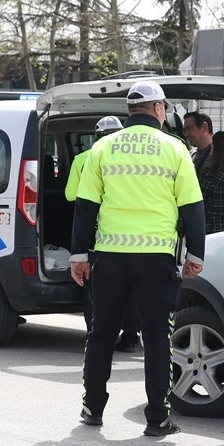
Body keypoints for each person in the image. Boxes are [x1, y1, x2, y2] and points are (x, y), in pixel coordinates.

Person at [69, 80, 206, 437]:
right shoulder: (174, 148)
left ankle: (92, 407)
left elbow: (85, 209)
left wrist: (79, 256)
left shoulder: (104, 148)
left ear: (130, 111)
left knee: (101, 332)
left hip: (110, 257)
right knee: (158, 336)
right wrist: (195, 255)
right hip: (156, 258)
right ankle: (157, 418)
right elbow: (193, 207)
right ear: (159, 109)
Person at [64, 115, 141, 353]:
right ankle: (130, 336)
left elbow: (70, 195)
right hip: (131, 235)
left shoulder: (82, 159)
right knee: (130, 290)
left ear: (96, 137)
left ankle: (94, 335)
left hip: (97, 236)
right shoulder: (134, 159)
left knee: (94, 290)